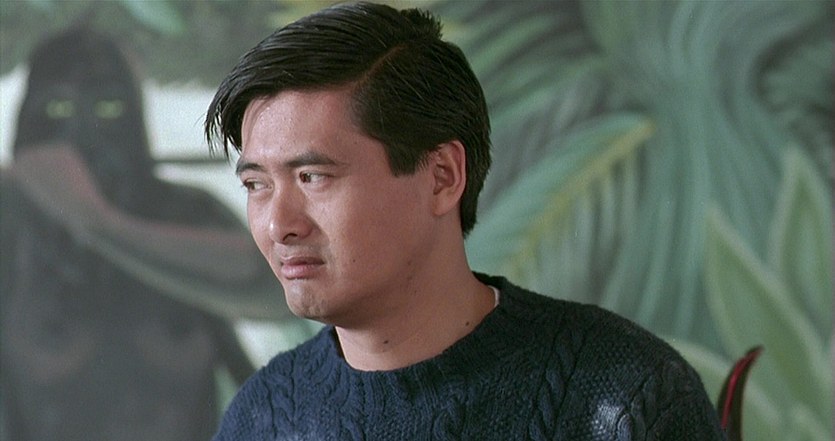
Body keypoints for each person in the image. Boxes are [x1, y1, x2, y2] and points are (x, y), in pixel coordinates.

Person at [204, 2, 726, 439]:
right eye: (256, 185)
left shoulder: (626, 397)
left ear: (442, 176)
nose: (278, 225)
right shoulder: (261, 418)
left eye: (313, 177)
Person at [1, 28, 287, 441]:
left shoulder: (185, 213)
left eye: (108, 106)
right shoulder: (11, 221)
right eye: (57, 107)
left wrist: (98, 222)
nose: (83, 130)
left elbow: (280, 291)